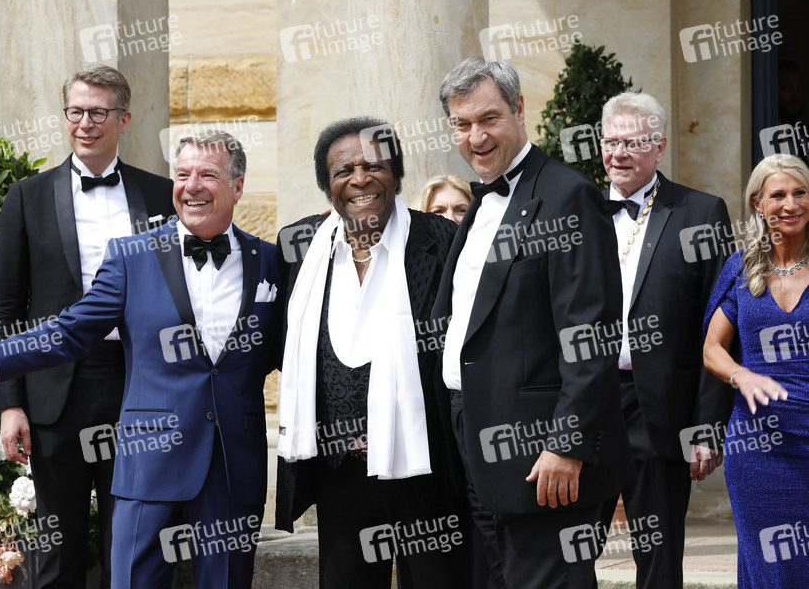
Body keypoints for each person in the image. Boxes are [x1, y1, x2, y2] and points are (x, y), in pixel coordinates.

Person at [0, 131, 283, 589]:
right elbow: (69, 331)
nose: (191, 186)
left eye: (207, 175)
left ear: (237, 186)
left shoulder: (271, 262)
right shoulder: (132, 257)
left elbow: (297, 351)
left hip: (232, 463)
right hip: (149, 460)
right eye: (182, 174)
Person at [432, 57, 635, 589]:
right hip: (473, 435)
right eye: (461, 124)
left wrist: (567, 443)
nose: (476, 137)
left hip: (542, 452)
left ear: (519, 109)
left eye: (488, 119)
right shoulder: (480, 203)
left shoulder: (569, 195)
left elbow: (591, 334)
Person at [0, 64, 174, 588]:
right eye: (75, 112)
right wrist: (10, 403)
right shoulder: (27, 196)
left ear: (123, 119)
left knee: (132, 543)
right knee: (57, 550)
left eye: (98, 113)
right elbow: (7, 308)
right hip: (54, 390)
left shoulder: (161, 195)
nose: (85, 124)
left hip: (137, 386)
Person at [274, 116, 472, 588]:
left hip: (427, 467)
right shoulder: (300, 246)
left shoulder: (443, 240)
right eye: (343, 171)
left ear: (396, 175)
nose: (359, 179)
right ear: (328, 185)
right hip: (340, 472)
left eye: (374, 166)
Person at [597, 91, 733, 589]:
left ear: (660, 147)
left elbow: (720, 327)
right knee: (566, 554)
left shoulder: (702, 212)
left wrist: (708, 426)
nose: (619, 154)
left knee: (658, 560)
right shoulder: (577, 211)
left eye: (633, 143)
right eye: (611, 142)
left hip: (660, 410)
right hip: (586, 404)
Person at [704, 154, 809, 589]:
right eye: (778, 195)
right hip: (757, 448)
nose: (791, 204)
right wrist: (741, 375)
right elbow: (713, 349)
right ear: (757, 204)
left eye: (800, 192)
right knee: (768, 564)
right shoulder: (741, 267)